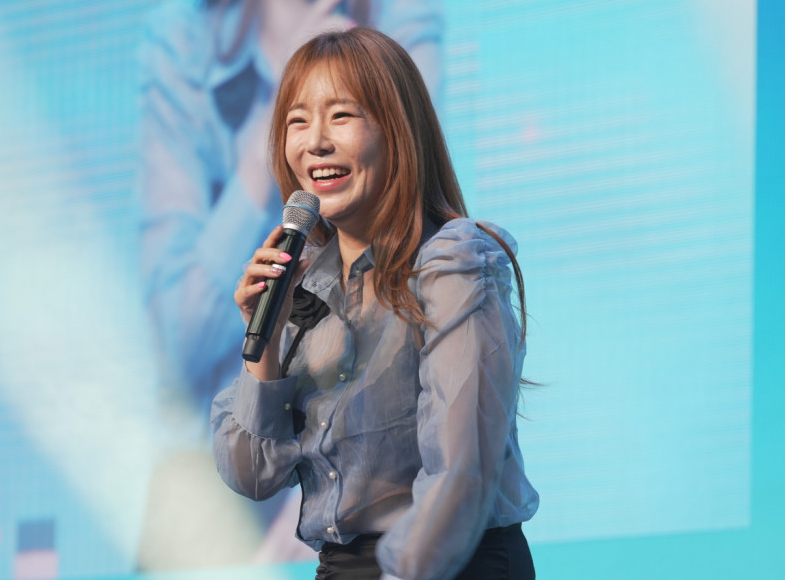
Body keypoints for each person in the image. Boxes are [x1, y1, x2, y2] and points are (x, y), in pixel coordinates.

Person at [211, 28, 539, 580]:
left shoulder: (450, 264)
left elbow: (460, 474)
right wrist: (261, 345)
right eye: (297, 121)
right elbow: (251, 474)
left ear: (397, 131)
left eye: (341, 116)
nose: (315, 142)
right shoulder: (305, 285)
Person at [138, 0, 443, 413]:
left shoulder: (404, 3)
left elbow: (415, 211)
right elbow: (176, 348)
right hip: (233, 445)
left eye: (342, 114)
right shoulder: (182, 45)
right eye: (297, 121)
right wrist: (271, 126)